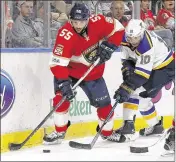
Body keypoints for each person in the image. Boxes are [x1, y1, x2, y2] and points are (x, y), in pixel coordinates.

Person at [43, 3, 125, 145]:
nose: (78, 25)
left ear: (88, 18)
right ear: (70, 19)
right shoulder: (65, 34)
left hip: (93, 73)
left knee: (105, 105)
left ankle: (107, 133)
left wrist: (111, 45)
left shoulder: (98, 21)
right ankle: (60, 131)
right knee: (60, 100)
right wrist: (63, 82)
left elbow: (118, 28)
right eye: (75, 21)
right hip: (69, 72)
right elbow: (57, 63)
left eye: (81, 21)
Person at [108, 19, 175, 142]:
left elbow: (141, 76)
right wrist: (127, 74)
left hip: (164, 68)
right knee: (142, 98)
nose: (132, 42)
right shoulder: (125, 37)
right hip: (152, 66)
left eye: (136, 38)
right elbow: (126, 59)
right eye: (130, 38)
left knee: (134, 92)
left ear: (142, 33)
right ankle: (155, 125)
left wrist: (126, 87)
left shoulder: (146, 45)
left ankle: (128, 127)